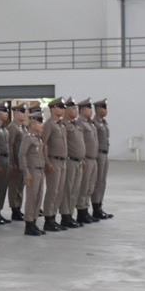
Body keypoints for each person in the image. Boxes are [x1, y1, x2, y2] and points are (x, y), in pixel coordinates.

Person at [18, 103, 47, 236]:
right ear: (34, 123)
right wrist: (26, 172)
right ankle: (29, 224)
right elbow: (22, 154)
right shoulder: (28, 137)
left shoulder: (38, 138)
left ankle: (34, 222)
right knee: (31, 198)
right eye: (40, 123)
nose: (42, 125)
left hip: (40, 171)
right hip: (32, 171)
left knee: (38, 197)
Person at [41, 98, 68, 234]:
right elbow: (43, 144)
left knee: (59, 191)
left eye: (63, 107)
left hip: (63, 161)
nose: (63, 110)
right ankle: (48, 219)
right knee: (52, 191)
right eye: (60, 107)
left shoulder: (61, 125)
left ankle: (54, 216)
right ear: (53, 109)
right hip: (53, 161)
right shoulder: (49, 125)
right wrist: (47, 162)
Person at [60, 97, 85, 230]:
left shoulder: (75, 124)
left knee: (75, 189)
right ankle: (65, 216)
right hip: (69, 160)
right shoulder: (63, 125)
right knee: (67, 190)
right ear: (66, 111)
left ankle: (70, 214)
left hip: (78, 161)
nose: (76, 110)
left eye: (76, 108)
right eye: (73, 108)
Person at [74, 99, 100, 225]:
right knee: (83, 186)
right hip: (86, 159)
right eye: (89, 109)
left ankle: (86, 208)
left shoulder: (90, 123)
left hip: (93, 159)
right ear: (83, 110)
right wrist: (82, 158)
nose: (91, 111)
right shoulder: (80, 123)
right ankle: (81, 211)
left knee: (90, 186)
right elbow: (79, 142)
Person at [92, 100, 114, 220]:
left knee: (103, 182)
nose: (106, 110)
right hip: (98, 154)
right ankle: (96, 207)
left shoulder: (104, 122)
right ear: (97, 109)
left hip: (105, 154)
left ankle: (100, 205)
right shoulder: (94, 123)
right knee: (98, 181)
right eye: (103, 108)